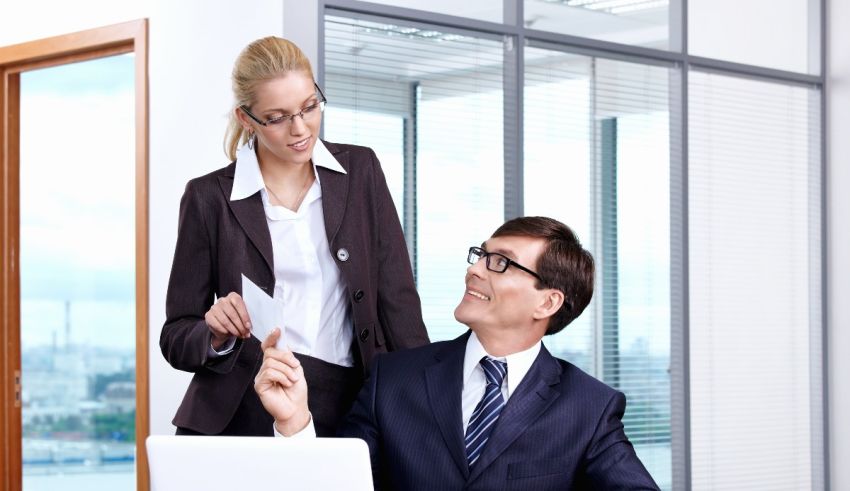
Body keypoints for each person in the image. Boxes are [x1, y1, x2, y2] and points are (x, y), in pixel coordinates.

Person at [255, 216, 660, 490]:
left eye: (501, 263)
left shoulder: (588, 408)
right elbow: (341, 484)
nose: (476, 269)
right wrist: (295, 423)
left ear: (547, 303)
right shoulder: (393, 380)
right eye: (481, 255)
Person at [160, 36, 429, 437]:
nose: (300, 128)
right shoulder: (208, 197)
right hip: (239, 410)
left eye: (309, 107)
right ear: (245, 118)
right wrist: (214, 334)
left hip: (347, 402)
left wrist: (428, 401)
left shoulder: (360, 171)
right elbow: (176, 334)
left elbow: (398, 300)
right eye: (278, 117)